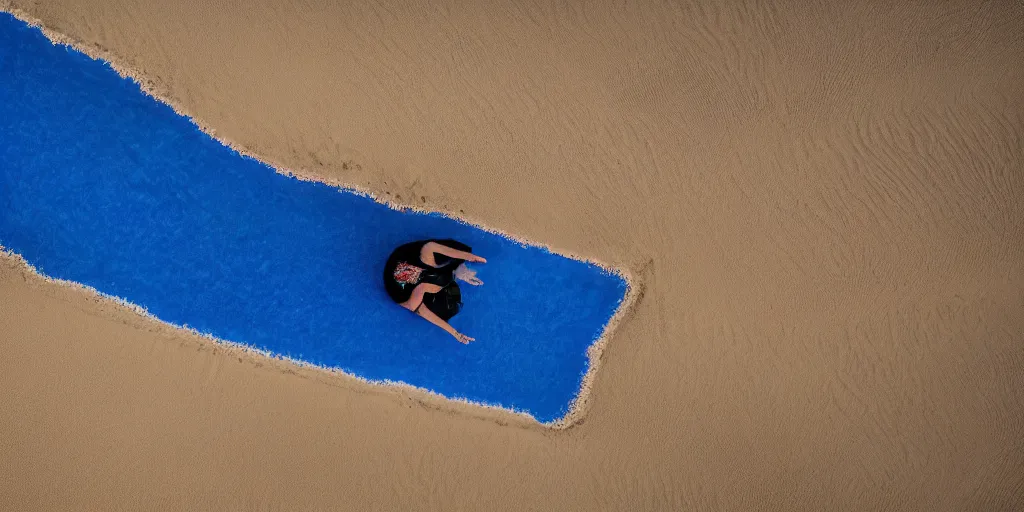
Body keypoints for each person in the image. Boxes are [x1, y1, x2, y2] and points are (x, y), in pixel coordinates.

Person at [383, 239, 485, 344]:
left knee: (448, 256)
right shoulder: (411, 299)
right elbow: (428, 314)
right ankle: (455, 271)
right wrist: (456, 334)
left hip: (401, 259)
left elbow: (432, 246)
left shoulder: (425, 257)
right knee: (446, 310)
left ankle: (456, 270)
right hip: (396, 276)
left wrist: (469, 257)